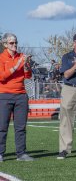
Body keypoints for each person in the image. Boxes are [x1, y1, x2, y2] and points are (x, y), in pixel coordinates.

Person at [0, 33, 34, 162]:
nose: (14, 45)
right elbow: (2, 77)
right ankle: (1, 153)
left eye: (16, 43)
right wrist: (17, 64)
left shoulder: (21, 57)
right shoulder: (1, 58)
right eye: (11, 43)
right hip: (4, 95)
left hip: (21, 95)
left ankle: (21, 154)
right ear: (5, 44)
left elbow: (28, 76)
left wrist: (26, 65)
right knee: (2, 126)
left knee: (20, 127)